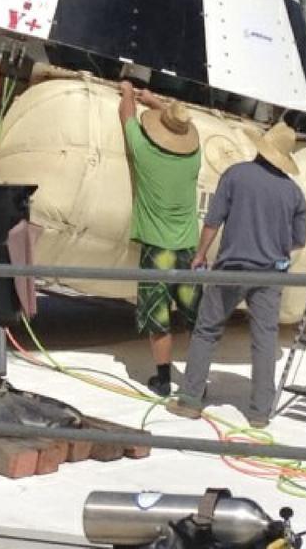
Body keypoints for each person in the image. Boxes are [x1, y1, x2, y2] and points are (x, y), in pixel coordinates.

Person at [167, 122, 306, 429]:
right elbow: (299, 240)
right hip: (271, 275)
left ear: (261, 147)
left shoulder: (236, 175)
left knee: (207, 331)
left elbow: (213, 221)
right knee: (264, 340)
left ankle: (190, 400)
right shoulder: (294, 193)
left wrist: (200, 255)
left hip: (231, 268)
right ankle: (259, 413)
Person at [119, 79, 202, 398]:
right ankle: (196, 382)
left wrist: (130, 93)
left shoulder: (144, 152)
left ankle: (164, 380)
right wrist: (157, 102)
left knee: (159, 316)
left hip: (158, 251)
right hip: (189, 250)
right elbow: (184, 124)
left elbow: (127, 116)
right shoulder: (194, 157)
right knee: (195, 319)